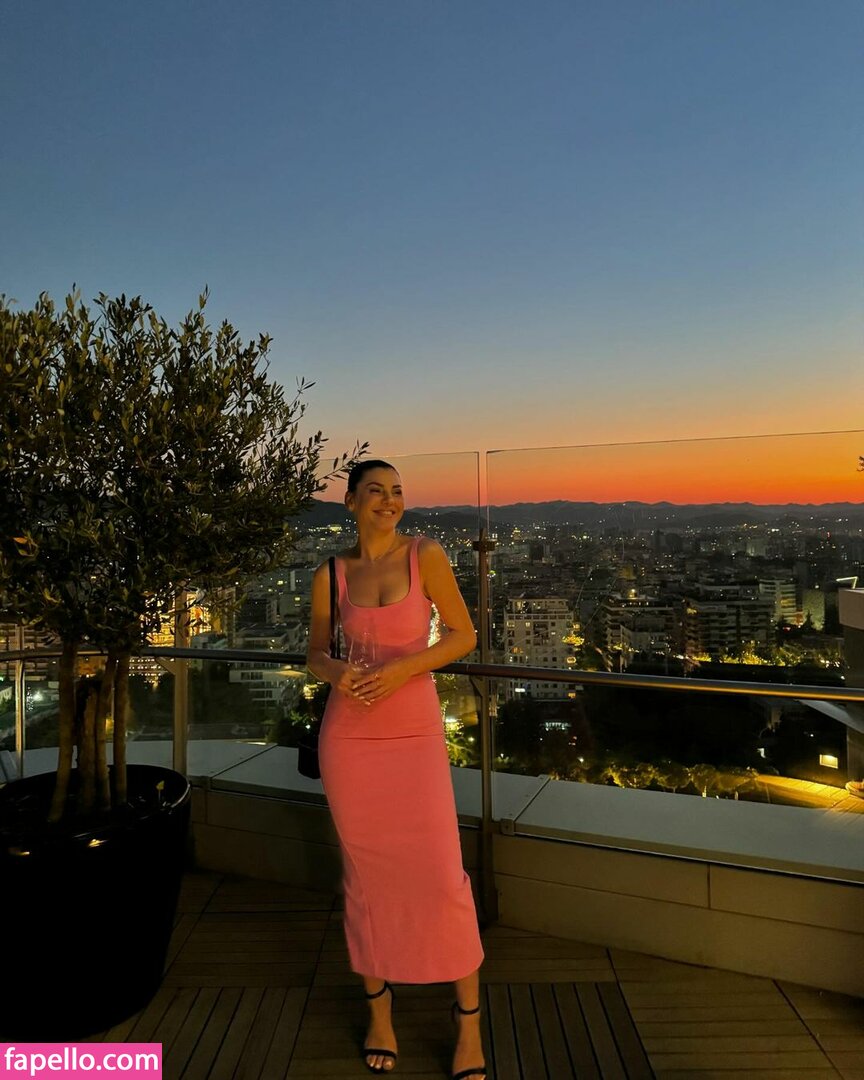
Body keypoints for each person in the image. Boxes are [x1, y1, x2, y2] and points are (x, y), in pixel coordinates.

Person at [306, 460, 487, 1079]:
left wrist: (403, 669)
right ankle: (379, 1012)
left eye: (397, 491)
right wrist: (338, 672)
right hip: (350, 737)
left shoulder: (424, 555)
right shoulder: (330, 573)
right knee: (365, 879)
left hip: (413, 732)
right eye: (376, 491)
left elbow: (463, 635)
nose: (389, 500)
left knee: (442, 874)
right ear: (351, 502)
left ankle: (469, 1022)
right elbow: (316, 653)